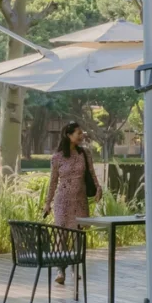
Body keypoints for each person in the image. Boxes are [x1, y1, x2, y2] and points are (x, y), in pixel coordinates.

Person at [45, 120, 99, 285]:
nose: (82, 136)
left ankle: (75, 269)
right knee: (61, 236)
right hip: (62, 201)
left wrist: (98, 188)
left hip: (80, 200)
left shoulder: (85, 154)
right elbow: (53, 182)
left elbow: (91, 173)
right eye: (79, 133)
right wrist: (47, 203)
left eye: (82, 133)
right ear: (69, 135)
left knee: (78, 236)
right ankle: (60, 270)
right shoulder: (57, 157)